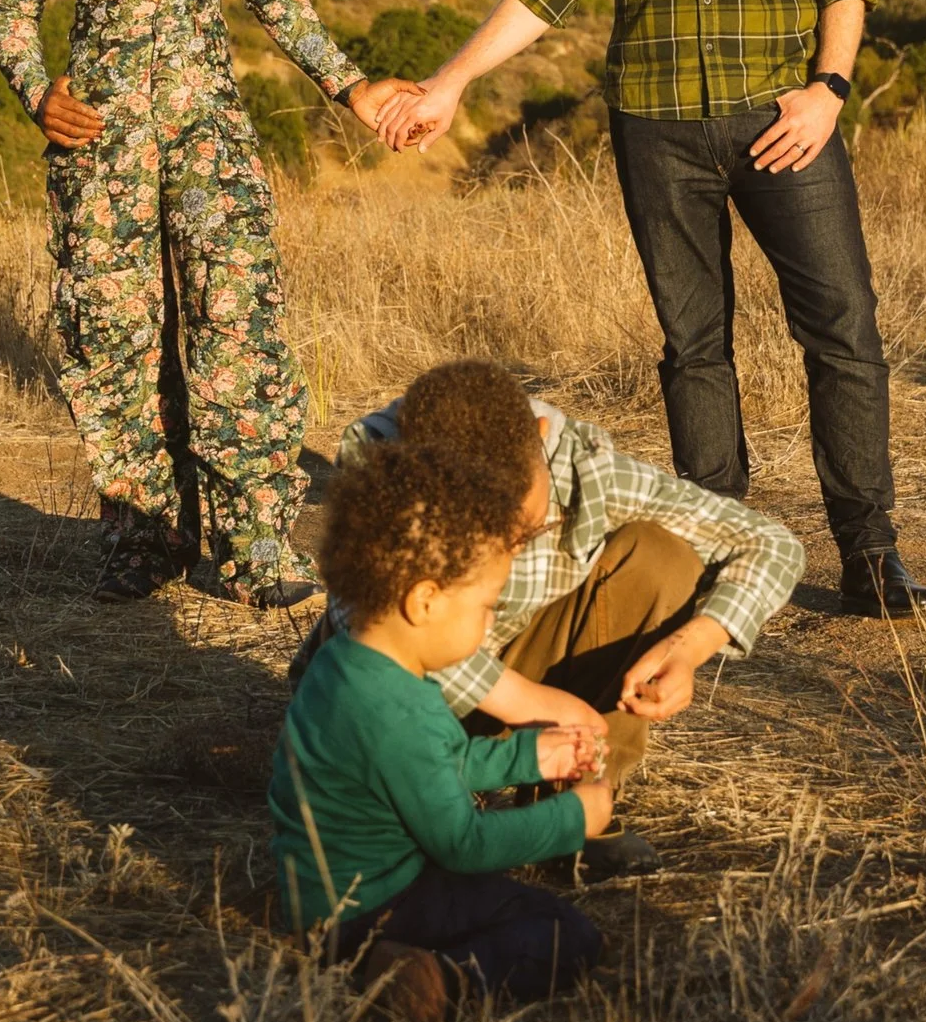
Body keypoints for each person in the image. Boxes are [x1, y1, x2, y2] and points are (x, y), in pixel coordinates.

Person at [376, 0, 926, 619]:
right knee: (694, 346)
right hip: (655, 125)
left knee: (844, 329)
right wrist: (451, 80)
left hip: (784, 119)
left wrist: (829, 88)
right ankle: (721, 553)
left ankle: (868, 550)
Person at [0, 0, 406, 607]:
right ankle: (143, 540)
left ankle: (257, 542)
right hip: (99, 147)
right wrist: (39, 93)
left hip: (210, 133)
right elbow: (11, 15)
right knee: (112, 338)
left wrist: (350, 84)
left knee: (236, 326)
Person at [308, 358, 806, 880]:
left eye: (520, 525)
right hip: (401, 710)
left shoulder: (583, 467)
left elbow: (771, 544)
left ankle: (573, 800)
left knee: (659, 554)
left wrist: (693, 644)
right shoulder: (381, 463)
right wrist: (530, 700)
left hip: (513, 678)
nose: (505, 543)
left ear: (540, 438)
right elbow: (367, 624)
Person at [271, 439, 609, 1022]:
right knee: (564, 932)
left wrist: (531, 755)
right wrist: (573, 820)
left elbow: (433, 767)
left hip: (316, 896)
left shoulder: (347, 664)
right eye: (484, 606)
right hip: (378, 900)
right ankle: (441, 979)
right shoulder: (401, 706)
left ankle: (358, 952)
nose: (488, 626)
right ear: (425, 600)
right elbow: (463, 844)